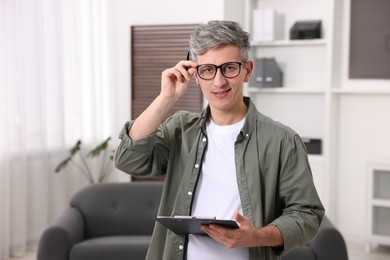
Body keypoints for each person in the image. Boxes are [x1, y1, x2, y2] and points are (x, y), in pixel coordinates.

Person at [114, 20, 324, 260]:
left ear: (247, 70)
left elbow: (307, 215)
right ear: (196, 75)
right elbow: (127, 160)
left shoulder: (282, 140)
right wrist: (166, 98)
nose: (218, 81)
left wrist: (256, 236)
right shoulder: (180, 129)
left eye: (229, 68)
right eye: (208, 70)